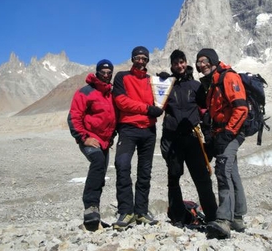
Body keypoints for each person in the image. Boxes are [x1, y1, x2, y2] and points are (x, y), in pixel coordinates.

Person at [159, 49, 217, 228]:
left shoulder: (196, 85)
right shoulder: (167, 85)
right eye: (176, 63)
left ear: (186, 62)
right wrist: (161, 82)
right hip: (173, 138)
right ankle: (177, 217)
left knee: (202, 178)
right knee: (173, 178)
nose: (179, 65)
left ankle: (213, 217)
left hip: (192, 138)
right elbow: (156, 104)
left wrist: (209, 138)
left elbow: (206, 111)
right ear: (172, 65)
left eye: (182, 61)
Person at [195, 48, 249, 239]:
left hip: (232, 132)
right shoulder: (213, 83)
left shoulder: (228, 78)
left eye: (204, 61)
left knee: (222, 170)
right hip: (222, 133)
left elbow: (241, 108)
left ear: (213, 60)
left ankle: (224, 220)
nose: (202, 65)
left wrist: (228, 133)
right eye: (199, 63)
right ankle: (238, 217)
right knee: (232, 171)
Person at [112, 46, 164, 230]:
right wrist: (147, 109)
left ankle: (141, 211)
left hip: (148, 131)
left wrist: (165, 82)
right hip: (128, 128)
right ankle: (126, 211)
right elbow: (121, 101)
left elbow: (162, 99)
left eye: (144, 58)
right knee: (122, 165)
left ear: (147, 60)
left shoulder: (152, 81)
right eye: (137, 57)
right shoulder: (122, 77)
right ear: (132, 59)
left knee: (144, 171)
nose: (140, 61)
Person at [67, 59, 116, 230]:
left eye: (109, 72)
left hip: (104, 142)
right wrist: (83, 138)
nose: (106, 75)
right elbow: (74, 116)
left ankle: (95, 214)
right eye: (103, 72)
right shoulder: (85, 92)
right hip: (89, 138)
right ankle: (90, 207)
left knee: (100, 174)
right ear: (97, 72)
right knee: (97, 163)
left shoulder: (111, 93)